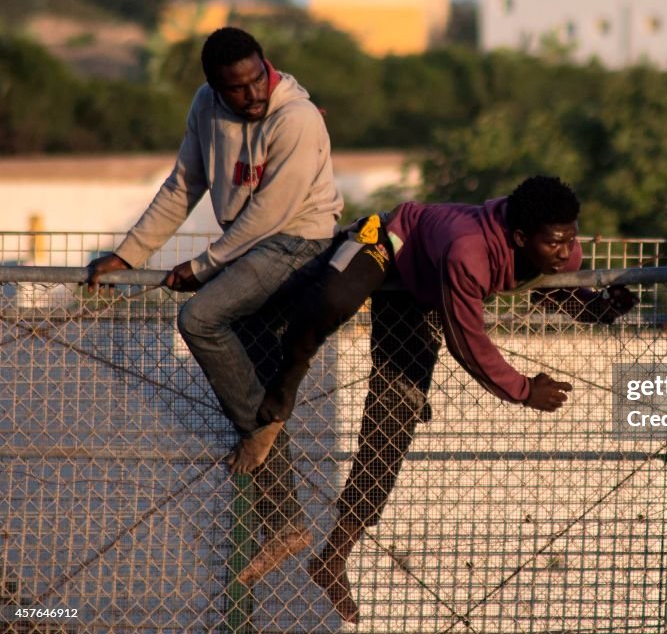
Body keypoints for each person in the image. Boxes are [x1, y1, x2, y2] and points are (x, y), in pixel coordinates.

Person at [238, 176, 636, 622]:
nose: (566, 252)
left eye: (571, 239)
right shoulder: (468, 251)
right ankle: (280, 389)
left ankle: (332, 557)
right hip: (393, 250)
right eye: (555, 243)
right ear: (521, 237)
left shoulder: (553, 246)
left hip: (429, 289)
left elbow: (550, 289)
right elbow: (468, 341)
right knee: (331, 301)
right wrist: (524, 389)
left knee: (393, 419)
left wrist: (597, 308)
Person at [86, 27, 343, 584]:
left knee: (198, 317)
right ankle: (286, 523)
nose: (253, 95)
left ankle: (261, 429)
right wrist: (130, 254)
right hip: (252, 246)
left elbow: (272, 215)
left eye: (259, 79)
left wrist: (202, 267)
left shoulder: (296, 118)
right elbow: (185, 183)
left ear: (266, 65)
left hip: (299, 240)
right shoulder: (206, 108)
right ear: (213, 87)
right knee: (255, 397)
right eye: (238, 89)